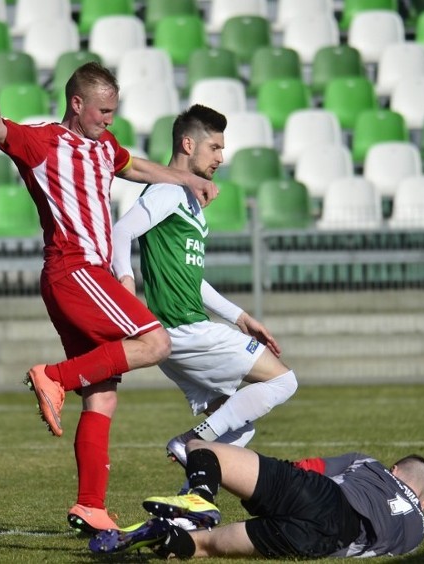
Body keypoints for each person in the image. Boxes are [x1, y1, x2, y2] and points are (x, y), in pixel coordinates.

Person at [0, 53, 218, 534]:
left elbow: (136, 167)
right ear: (76, 104)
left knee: (102, 395)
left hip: (84, 277)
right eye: (103, 111)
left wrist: (187, 177)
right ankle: (53, 376)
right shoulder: (43, 143)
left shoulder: (104, 147)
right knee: (155, 342)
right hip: (73, 269)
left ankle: (90, 505)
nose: (109, 120)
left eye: (114, 112)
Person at [111, 104, 298, 470]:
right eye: (214, 147)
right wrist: (127, 287)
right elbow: (121, 232)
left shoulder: (190, 201)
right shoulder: (167, 192)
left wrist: (240, 317)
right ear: (187, 144)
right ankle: (190, 442)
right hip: (184, 327)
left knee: (238, 428)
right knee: (284, 382)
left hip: (178, 332)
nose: (221, 157)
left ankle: (190, 501)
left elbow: (193, 279)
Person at [90, 439, 424, 559]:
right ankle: (163, 536)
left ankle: (201, 496)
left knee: (200, 448)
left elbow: (309, 467)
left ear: (394, 469)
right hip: (319, 542)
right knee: (204, 547)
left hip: (323, 497)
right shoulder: (417, 532)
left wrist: (276, 478)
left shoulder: (370, 464)